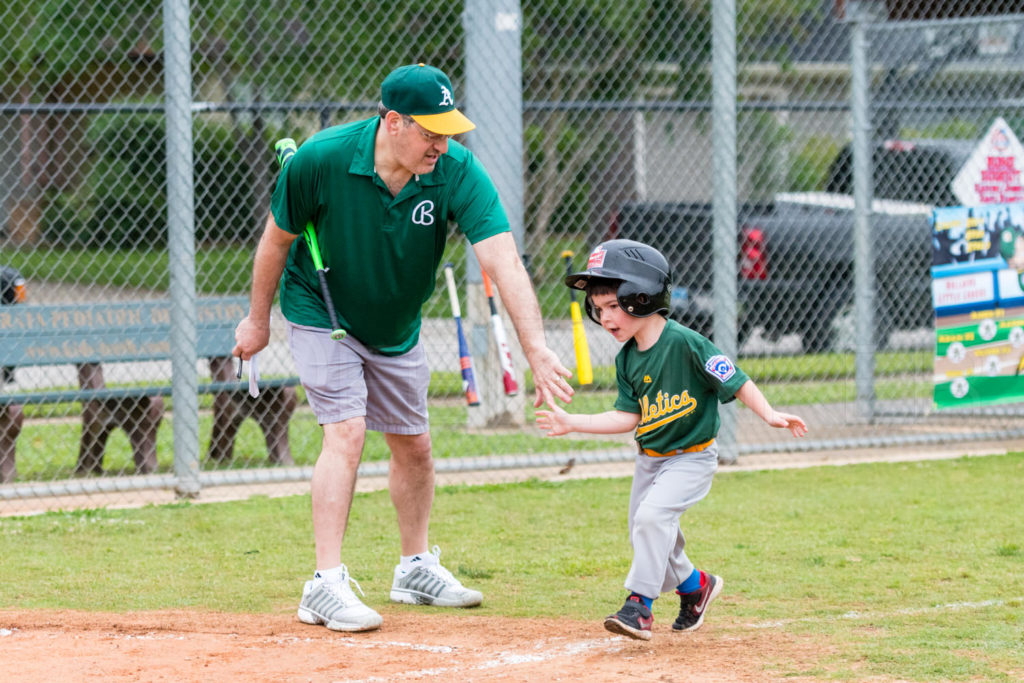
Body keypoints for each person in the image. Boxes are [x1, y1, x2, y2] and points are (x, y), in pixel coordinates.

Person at [233, 63, 573, 633]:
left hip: (396, 324)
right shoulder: (320, 159)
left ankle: (413, 567)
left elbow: (502, 259)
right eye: (431, 131)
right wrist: (257, 320)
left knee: (414, 447)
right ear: (392, 123)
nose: (443, 143)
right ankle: (324, 582)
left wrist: (535, 347)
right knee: (346, 429)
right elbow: (276, 240)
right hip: (323, 312)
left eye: (448, 130)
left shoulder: (456, 171)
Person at [535, 239, 807, 641]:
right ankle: (696, 586)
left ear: (641, 296)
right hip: (651, 459)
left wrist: (769, 414)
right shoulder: (627, 357)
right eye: (599, 308)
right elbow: (628, 417)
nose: (605, 317)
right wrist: (572, 422)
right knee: (647, 530)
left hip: (692, 457)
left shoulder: (686, 343)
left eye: (613, 305)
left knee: (651, 520)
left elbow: (736, 378)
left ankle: (639, 606)